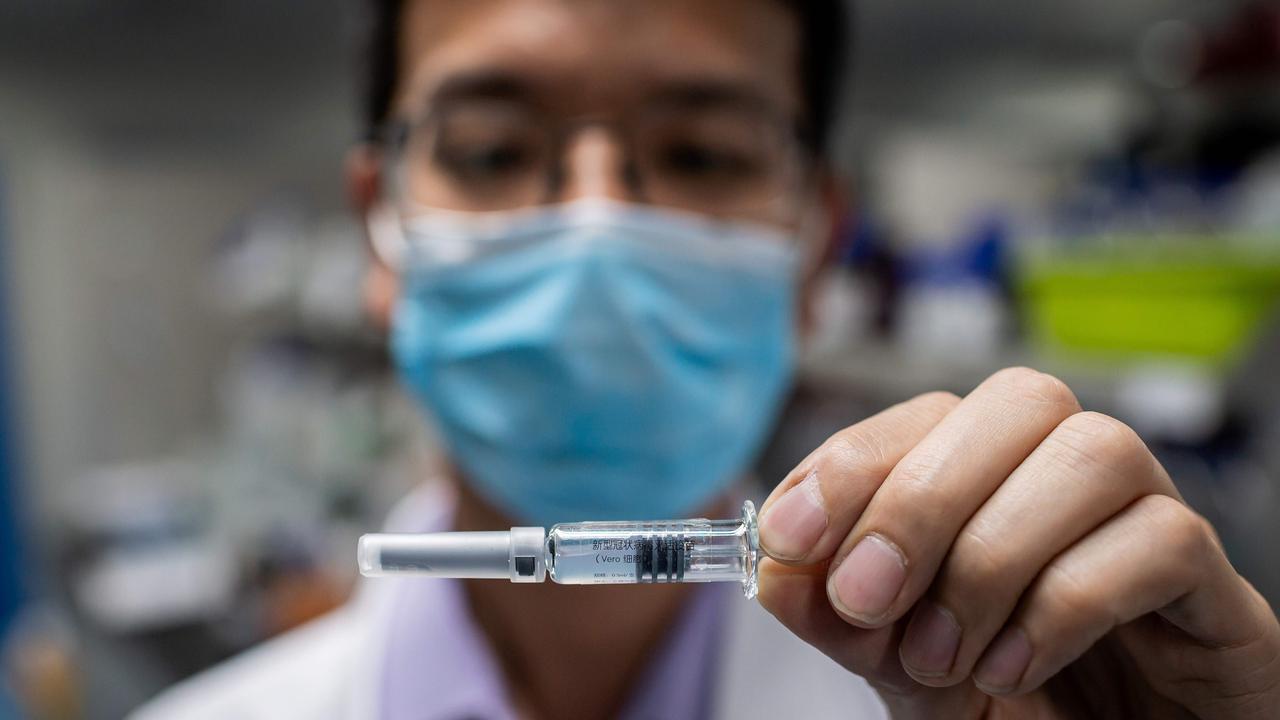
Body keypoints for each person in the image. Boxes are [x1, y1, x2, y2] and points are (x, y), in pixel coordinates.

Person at [134, 1, 1280, 718]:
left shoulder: (987, 697)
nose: (593, 228)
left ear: (811, 246)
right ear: (379, 226)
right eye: (491, 149)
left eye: (696, 150)